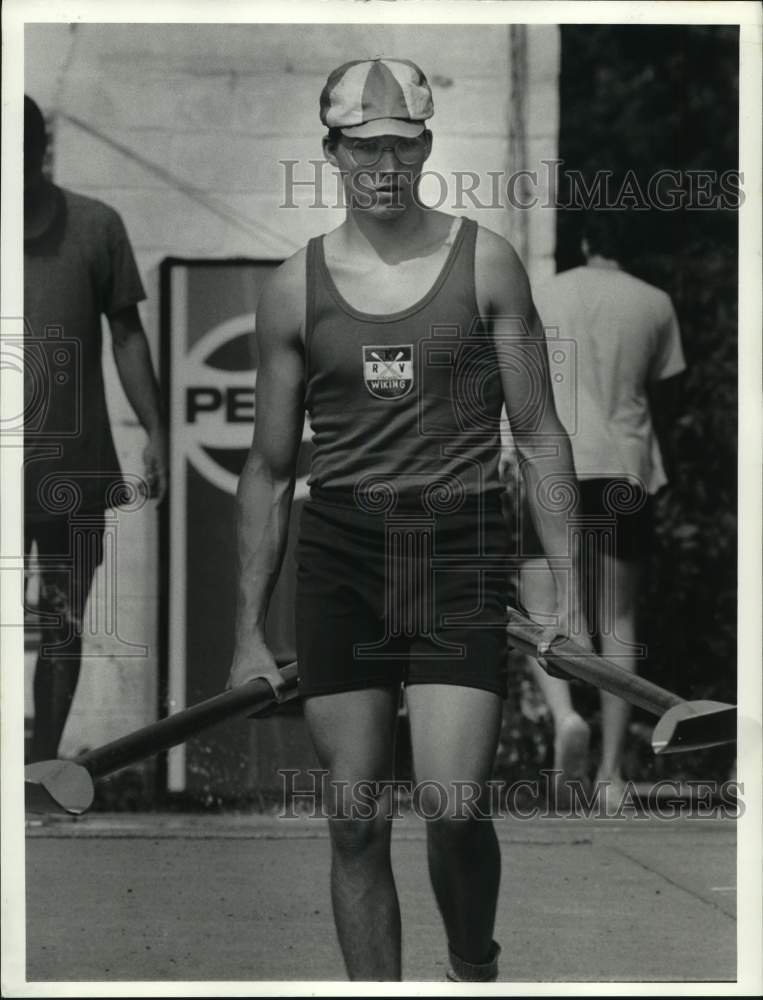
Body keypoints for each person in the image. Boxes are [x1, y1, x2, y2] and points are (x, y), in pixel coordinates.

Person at [228, 58, 590, 982]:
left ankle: (471, 962)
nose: (383, 165)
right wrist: (246, 635)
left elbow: (539, 434)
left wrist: (569, 600)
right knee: (355, 818)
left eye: (400, 145)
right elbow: (268, 468)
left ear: (425, 147)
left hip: (457, 546)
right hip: (341, 550)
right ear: (332, 152)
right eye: (363, 148)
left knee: (452, 803)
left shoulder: (487, 263)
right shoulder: (291, 287)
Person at [512, 211, 685, 810]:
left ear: (584, 241)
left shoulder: (543, 292)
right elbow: (666, 393)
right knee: (618, 620)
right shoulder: (656, 303)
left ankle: (565, 716)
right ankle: (610, 775)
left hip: (552, 463)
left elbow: (519, 380)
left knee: (545, 607)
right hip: (624, 467)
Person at [24, 95, 167, 763]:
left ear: (40, 151)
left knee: (61, 622)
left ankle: (40, 770)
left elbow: (128, 336)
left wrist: (157, 432)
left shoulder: (96, 226)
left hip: (74, 474)